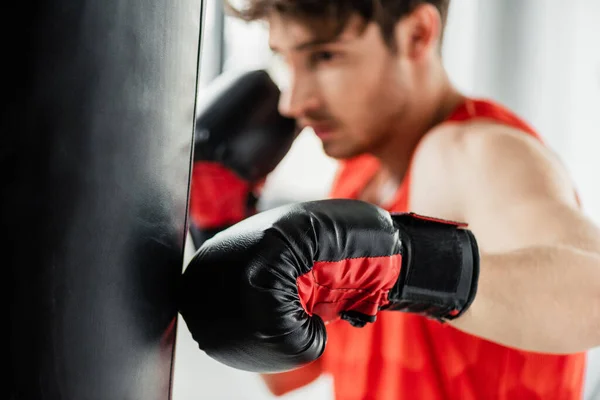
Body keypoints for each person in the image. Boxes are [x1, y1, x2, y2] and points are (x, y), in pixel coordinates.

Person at [179, 1, 600, 399]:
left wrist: (410, 266)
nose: (294, 102)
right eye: (286, 60)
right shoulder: (359, 178)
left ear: (417, 34)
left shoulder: (471, 150)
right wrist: (219, 224)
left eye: (324, 56)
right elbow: (295, 370)